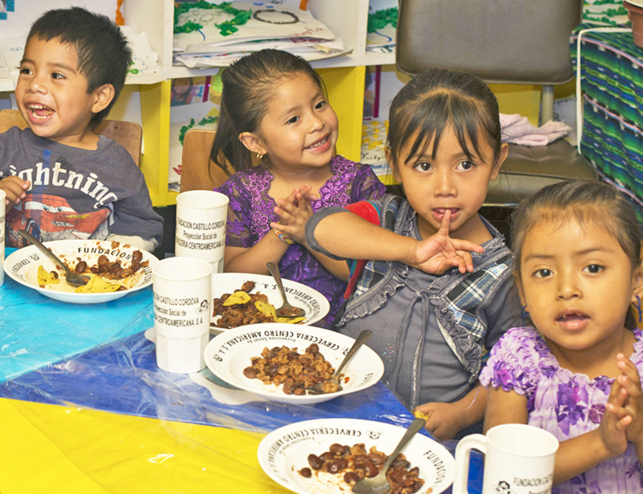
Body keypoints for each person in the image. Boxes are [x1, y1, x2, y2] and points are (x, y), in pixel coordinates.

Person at [299, 69, 519, 439]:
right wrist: (411, 250)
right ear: (394, 163)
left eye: (466, 164)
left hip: (427, 441)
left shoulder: (502, 272)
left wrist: (461, 414)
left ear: (496, 161)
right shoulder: (385, 218)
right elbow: (320, 228)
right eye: (423, 166)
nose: (445, 187)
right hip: (340, 412)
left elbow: (512, 369)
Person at [482, 180, 643, 494]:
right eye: (543, 272)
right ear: (520, 289)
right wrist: (602, 442)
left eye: (592, 268)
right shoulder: (521, 358)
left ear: (636, 280)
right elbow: (506, 475)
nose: (566, 289)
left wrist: (639, 430)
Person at [0, 7, 163, 251]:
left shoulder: (116, 164)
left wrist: (110, 256)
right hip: (9, 282)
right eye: (27, 70)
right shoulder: (6, 147)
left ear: (99, 97)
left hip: (84, 283)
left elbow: (144, 228)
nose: (34, 84)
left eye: (56, 75)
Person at [211, 50, 385, 326]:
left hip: (342, 329)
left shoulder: (358, 184)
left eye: (319, 104)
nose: (317, 123)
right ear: (255, 143)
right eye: (293, 119)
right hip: (261, 334)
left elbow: (370, 274)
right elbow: (233, 278)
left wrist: (309, 234)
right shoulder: (240, 194)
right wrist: (281, 233)